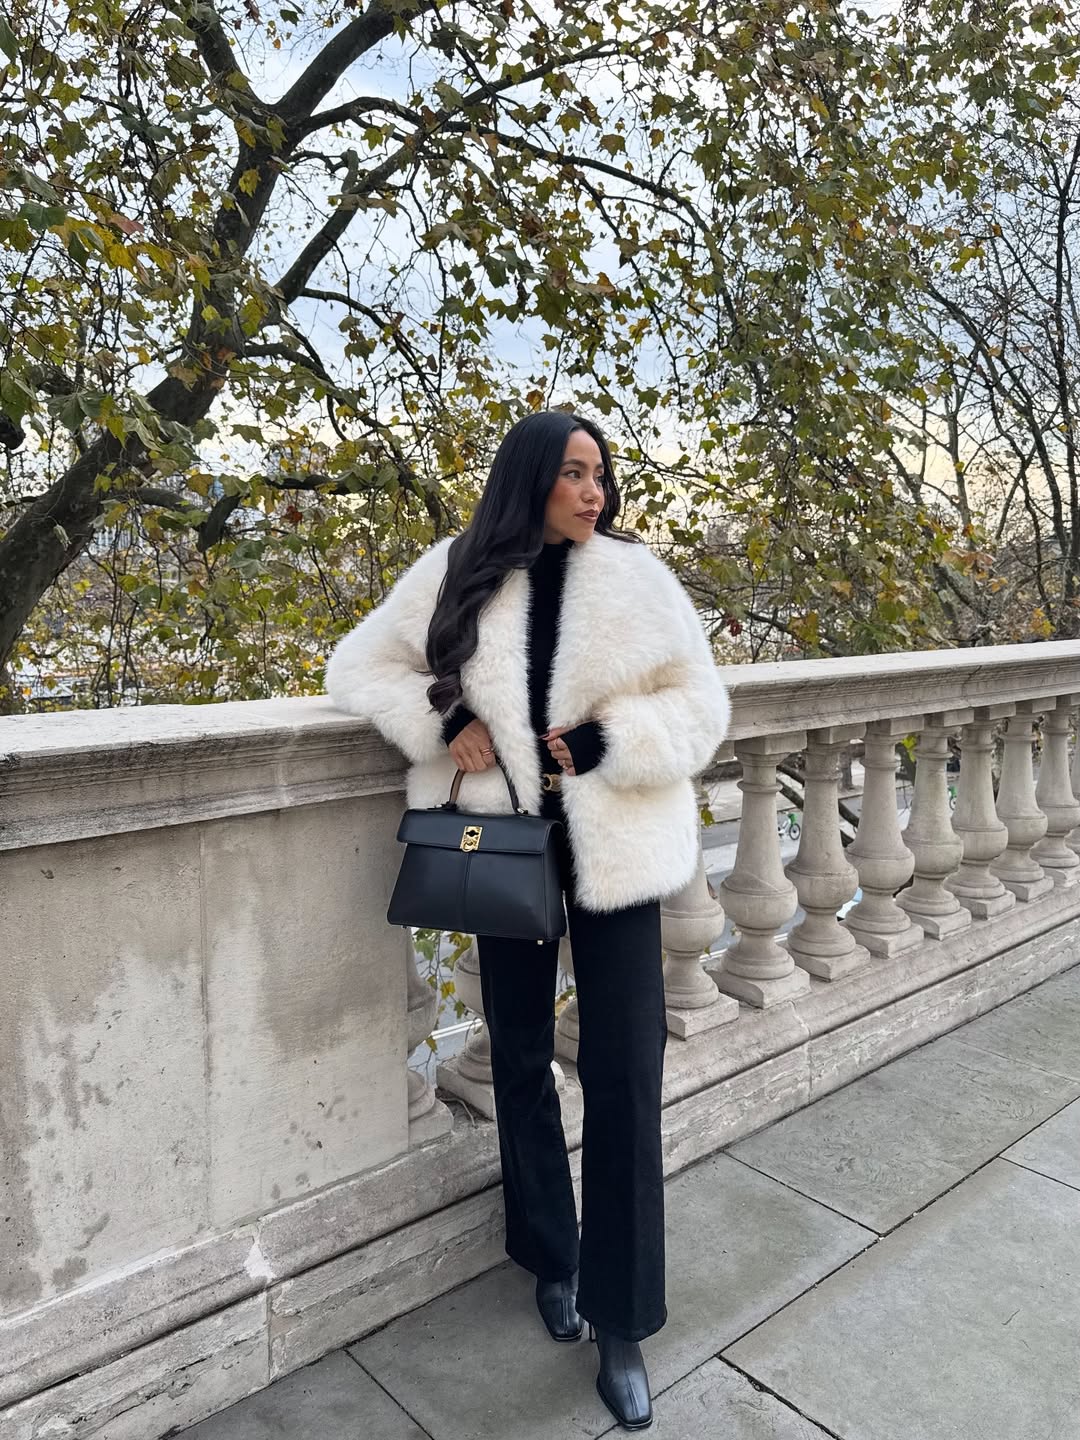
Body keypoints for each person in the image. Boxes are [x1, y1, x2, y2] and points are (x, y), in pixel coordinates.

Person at [324, 409, 730, 1431]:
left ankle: (624, 1316)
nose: (595, 492)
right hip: (501, 855)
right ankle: (550, 1255)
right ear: (531, 481)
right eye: (575, 474)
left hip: (620, 858)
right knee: (515, 1058)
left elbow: (702, 708)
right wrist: (445, 719)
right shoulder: (458, 567)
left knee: (629, 1073)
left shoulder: (639, 579)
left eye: (602, 474)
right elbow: (358, 667)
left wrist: (610, 742)